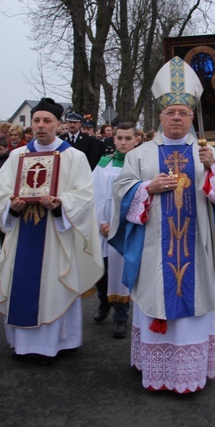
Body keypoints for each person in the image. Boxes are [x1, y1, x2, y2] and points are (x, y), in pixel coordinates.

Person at [109, 57, 215, 393]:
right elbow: (121, 189)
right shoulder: (140, 155)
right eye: (171, 113)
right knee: (157, 296)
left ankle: (189, 374)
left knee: (192, 304)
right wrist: (146, 188)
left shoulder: (205, 151)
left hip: (195, 249)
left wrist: (214, 171)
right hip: (156, 249)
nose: (177, 118)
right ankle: (156, 372)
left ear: (192, 117)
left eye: (183, 112)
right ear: (161, 117)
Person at [0, 98, 103, 361]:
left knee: (55, 284)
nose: (41, 126)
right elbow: (1, 193)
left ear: (59, 125)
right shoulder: (17, 156)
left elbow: (85, 195)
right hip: (23, 233)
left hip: (56, 235)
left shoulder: (74, 157)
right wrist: (12, 207)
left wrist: (60, 205)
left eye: (47, 121)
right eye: (36, 121)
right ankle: (23, 345)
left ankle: (60, 342)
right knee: (23, 282)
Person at [91, 122, 138, 338]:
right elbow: (95, 194)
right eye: (119, 138)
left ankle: (121, 315)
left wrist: (118, 224)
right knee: (102, 270)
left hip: (125, 228)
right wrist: (101, 222)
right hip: (102, 227)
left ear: (137, 140)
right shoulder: (103, 163)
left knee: (122, 272)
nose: (123, 142)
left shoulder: (141, 165)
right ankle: (104, 302)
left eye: (128, 138)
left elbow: (141, 197)